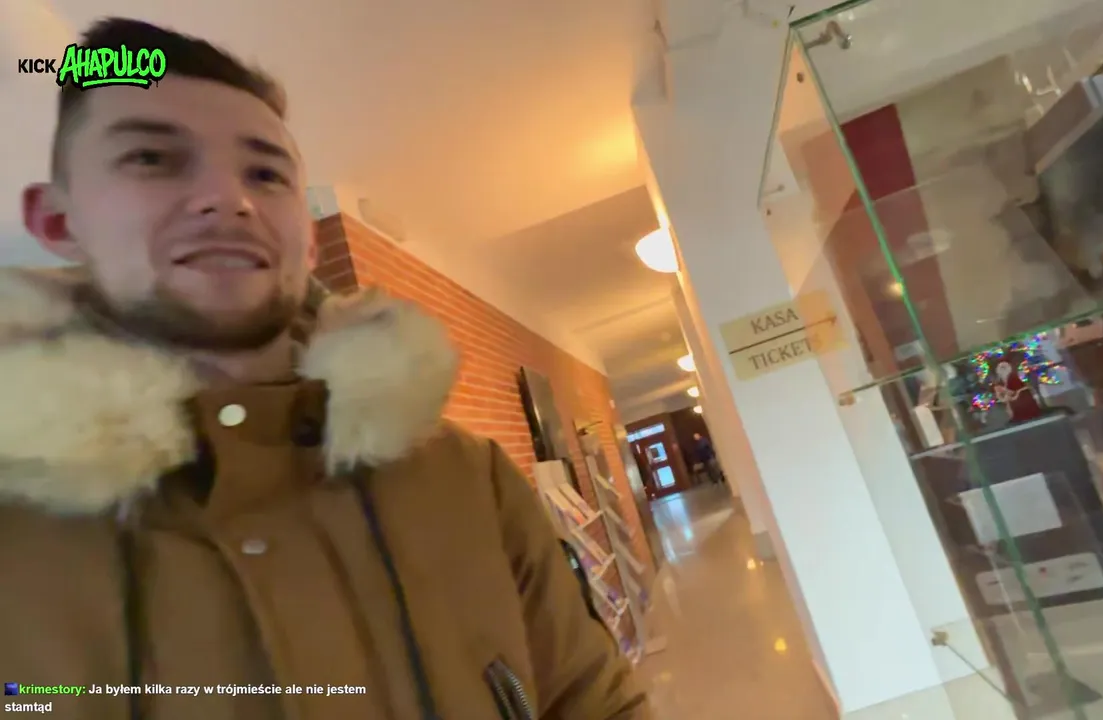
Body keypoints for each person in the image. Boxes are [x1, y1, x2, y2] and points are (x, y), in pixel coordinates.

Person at [0, 18, 646, 720]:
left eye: (266, 173)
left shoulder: (471, 481)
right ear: (56, 220)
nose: (230, 199)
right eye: (152, 158)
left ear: (307, 241)